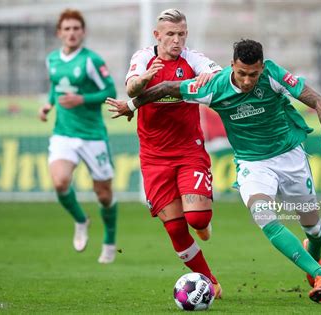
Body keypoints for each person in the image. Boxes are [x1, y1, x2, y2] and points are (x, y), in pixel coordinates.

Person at [107, 39, 321, 303]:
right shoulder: (215, 86)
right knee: (265, 218)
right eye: (241, 73)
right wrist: (131, 106)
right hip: (253, 165)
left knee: (313, 228)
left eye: (253, 75)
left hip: (290, 157)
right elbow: (165, 88)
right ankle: (319, 274)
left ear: (261, 68)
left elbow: (320, 102)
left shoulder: (274, 74)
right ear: (232, 66)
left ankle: (314, 251)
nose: (246, 81)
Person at [124, 9, 223, 297]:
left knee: (197, 221)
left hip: (188, 151)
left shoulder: (191, 58)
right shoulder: (143, 58)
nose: (176, 40)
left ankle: (204, 222)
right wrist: (144, 79)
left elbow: (217, 74)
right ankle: (210, 280)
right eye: (170, 35)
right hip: (154, 158)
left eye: (181, 34)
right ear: (157, 35)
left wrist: (210, 75)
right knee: (176, 229)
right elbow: (131, 89)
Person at [39, 9, 118, 264]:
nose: (72, 33)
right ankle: (81, 220)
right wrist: (49, 105)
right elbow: (56, 86)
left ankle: (109, 240)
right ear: (59, 33)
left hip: (92, 135)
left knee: (104, 195)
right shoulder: (52, 59)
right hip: (63, 133)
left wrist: (81, 99)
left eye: (76, 28)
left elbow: (110, 90)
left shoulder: (91, 61)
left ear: (83, 32)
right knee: (60, 182)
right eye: (67, 29)